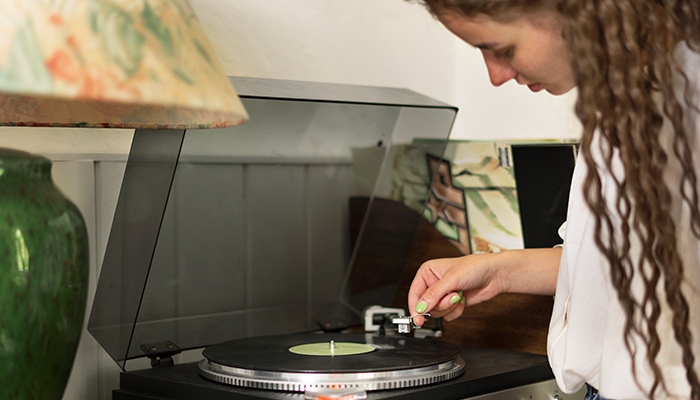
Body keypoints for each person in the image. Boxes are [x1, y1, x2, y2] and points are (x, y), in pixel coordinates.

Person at [406, 1, 700, 399]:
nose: (495, 76)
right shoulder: (625, 99)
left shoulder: (687, 94)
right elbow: (609, 261)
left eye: (502, 50)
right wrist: (495, 272)